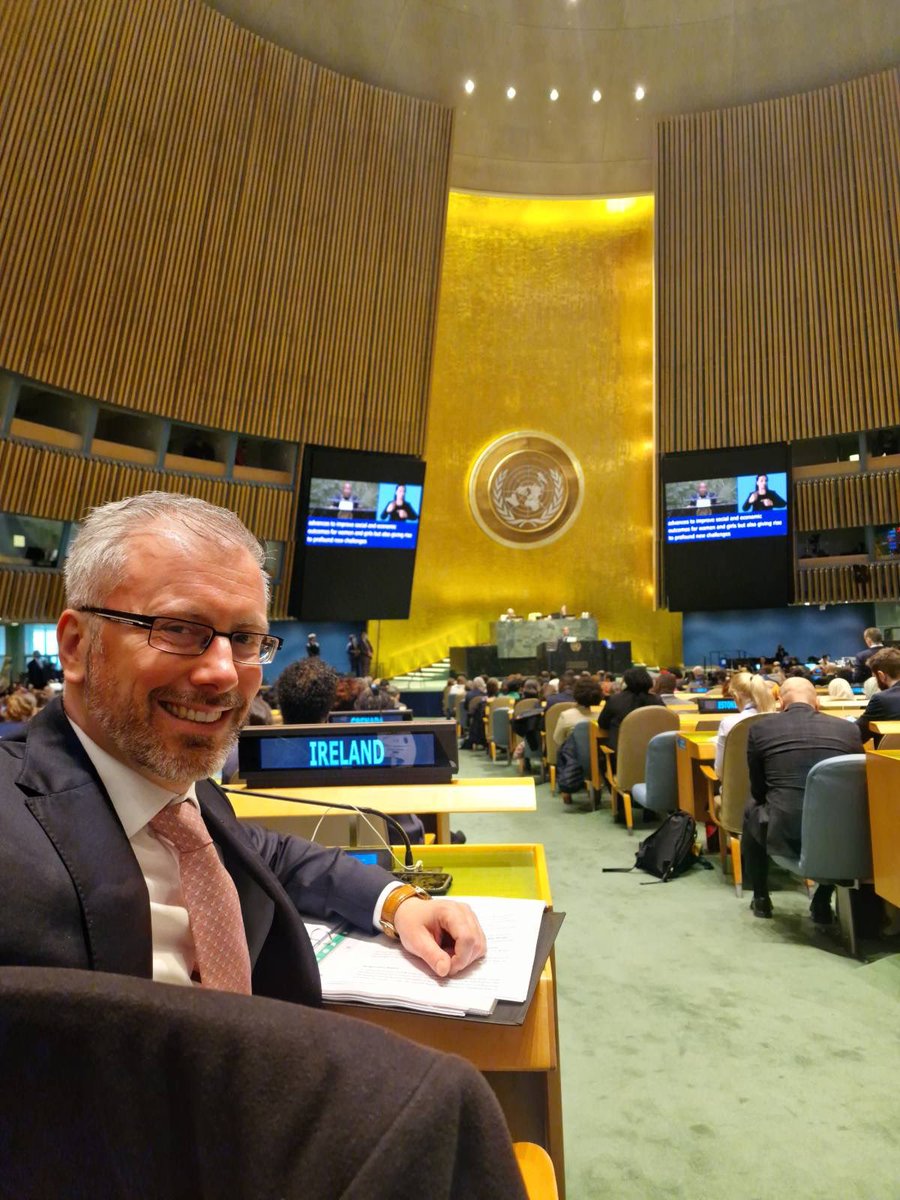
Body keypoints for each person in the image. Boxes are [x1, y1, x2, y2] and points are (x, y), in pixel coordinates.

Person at [0, 492, 485, 997]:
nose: (223, 672)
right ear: (77, 646)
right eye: (180, 629)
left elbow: (271, 855)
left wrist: (398, 902)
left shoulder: (186, 801)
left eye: (246, 639)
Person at [742, 677, 861, 922]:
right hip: (840, 835)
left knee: (751, 808)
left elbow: (758, 789)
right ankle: (822, 900)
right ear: (816, 702)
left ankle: (761, 897)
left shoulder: (760, 729)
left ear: (780, 702)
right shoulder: (849, 729)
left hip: (785, 831)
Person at [713, 670, 777, 778]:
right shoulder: (778, 719)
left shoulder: (728, 723)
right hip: (772, 790)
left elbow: (720, 772)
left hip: (737, 793)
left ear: (736, 696)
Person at [856, 647, 900, 744]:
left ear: (881, 675)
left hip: (889, 759)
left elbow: (857, 736)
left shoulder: (881, 699)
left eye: (875, 677)